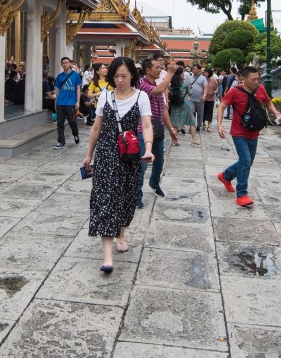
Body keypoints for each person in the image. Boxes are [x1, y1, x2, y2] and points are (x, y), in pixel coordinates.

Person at [82, 56, 153, 273]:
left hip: (129, 155)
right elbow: (96, 127)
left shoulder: (141, 97)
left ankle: (121, 235)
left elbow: (147, 125)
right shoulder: (105, 95)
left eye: (124, 76)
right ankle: (107, 258)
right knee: (106, 198)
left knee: (126, 197)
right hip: (106, 154)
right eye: (116, 76)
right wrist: (89, 154)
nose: (120, 80)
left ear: (132, 75)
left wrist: (148, 148)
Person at [216, 65, 281, 207]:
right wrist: (220, 125)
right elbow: (221, 107)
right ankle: (242, 195)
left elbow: (268, 102)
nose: (257, 82)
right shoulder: (235, 91)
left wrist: (276, 113)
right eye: (253, 79)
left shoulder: (261, 89)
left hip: (254, 132)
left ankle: (226, 176)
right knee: (245, 160)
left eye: (258, 78)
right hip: (239, 132)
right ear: (244, 79)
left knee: (247, 161)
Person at [138, 56, 180, 204]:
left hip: (157, 128)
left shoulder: (156, 84)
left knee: (159, 160)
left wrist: (171, 129)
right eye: (157, 68)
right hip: (143, 129)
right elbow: (158, 90)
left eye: (161, 68)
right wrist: (171, 73)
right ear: (148, 70)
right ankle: (137, 195)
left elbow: (164, 110)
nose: (160, 70)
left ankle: (154, 183)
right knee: (142, 163)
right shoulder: (142, 84)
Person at [51, 57, 82, 149]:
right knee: (60, 123)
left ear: (70, 64)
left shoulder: (75, 75)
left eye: (67, 62)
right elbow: (57, 90)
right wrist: (56, 102)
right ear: (61, 65)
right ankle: (61, 142)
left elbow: (78, 88)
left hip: (71, 102)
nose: (65, 64)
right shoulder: (59, 76)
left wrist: (78, 101)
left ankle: (75, 134)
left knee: (72, 121)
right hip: (60, 102)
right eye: (63, 63)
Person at [168, 63, 198, 145]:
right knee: (192, 121)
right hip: (184, 104)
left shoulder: (172, 83)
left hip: (175, 104)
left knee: (175, 123)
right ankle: (194, 140)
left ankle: (174, 141)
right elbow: (190, 93)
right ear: (181, 74)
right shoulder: (185, 83)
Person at [201, 68, 218, 132]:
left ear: (209, 73)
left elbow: (216, 88)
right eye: (205, 72)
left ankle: (209, 125)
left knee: (210, 112)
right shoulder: (202, 80)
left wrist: (214, 92)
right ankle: (203, 124)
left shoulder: (213, 81)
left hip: (211, 99)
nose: (205, 74)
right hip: (203, 98)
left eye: (207, 72)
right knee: (203, 112)